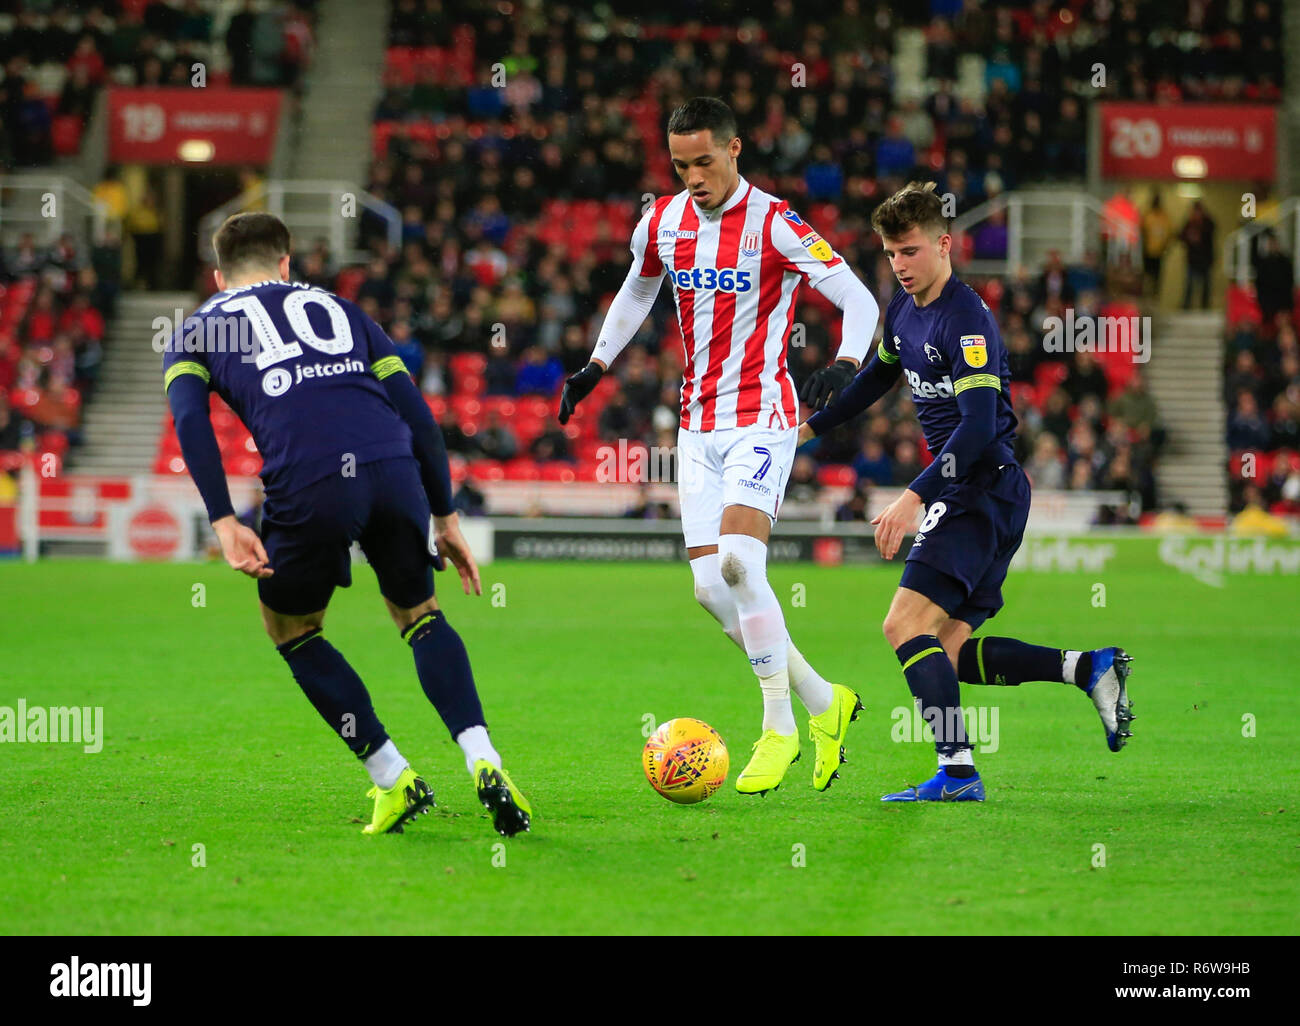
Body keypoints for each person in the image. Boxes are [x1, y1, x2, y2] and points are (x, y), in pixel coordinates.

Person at [162, 213, 530, 837]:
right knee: (421, 614)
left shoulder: (201, 327)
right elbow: (416, 412)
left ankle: (393, 777)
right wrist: (445, 514)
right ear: (286, 264)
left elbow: (191, 423)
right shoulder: (342, 308)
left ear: (219, 276)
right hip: (393, 467)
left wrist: (223, 519)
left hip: (310, 480)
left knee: (290, 626)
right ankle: (483, 758)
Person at [558, 97, 878, 796]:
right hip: (696, 425)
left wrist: (848, 365)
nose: (693, 176)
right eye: (680, 165)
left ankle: (779, 728)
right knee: (709, 589)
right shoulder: (663, 221)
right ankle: (827, 702)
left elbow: (859, 299)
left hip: (762, 415)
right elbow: (635, 292)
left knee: (737, 562)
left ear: (735, 150)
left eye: (705, 161)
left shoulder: (777, 222)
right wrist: (596, 366)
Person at [799, 182, 1135, 803]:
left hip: (978, 488)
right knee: (944, 653)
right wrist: (808, 430)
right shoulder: (903, 309)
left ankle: (957, 773)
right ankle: (1087, 667)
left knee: (902, 626)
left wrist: (917, 495)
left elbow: (979, 426)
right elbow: (878, 376)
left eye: (910, 251)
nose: (899, 265)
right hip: (989, 495)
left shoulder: (966, 319)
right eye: (891, 254)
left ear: (944, 244)